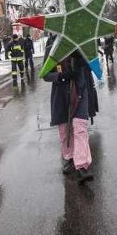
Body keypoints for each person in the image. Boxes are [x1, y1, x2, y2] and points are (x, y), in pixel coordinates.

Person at [43, 46, 97, 184]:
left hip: (79, 92)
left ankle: (82, 165)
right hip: (61, 93)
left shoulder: (81, 46)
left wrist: (82, 58)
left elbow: (93, 66)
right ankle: (69, 157)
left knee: (80, 128)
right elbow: (45, 74)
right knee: (65, 129)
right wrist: (60, 76)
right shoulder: (52, 48)